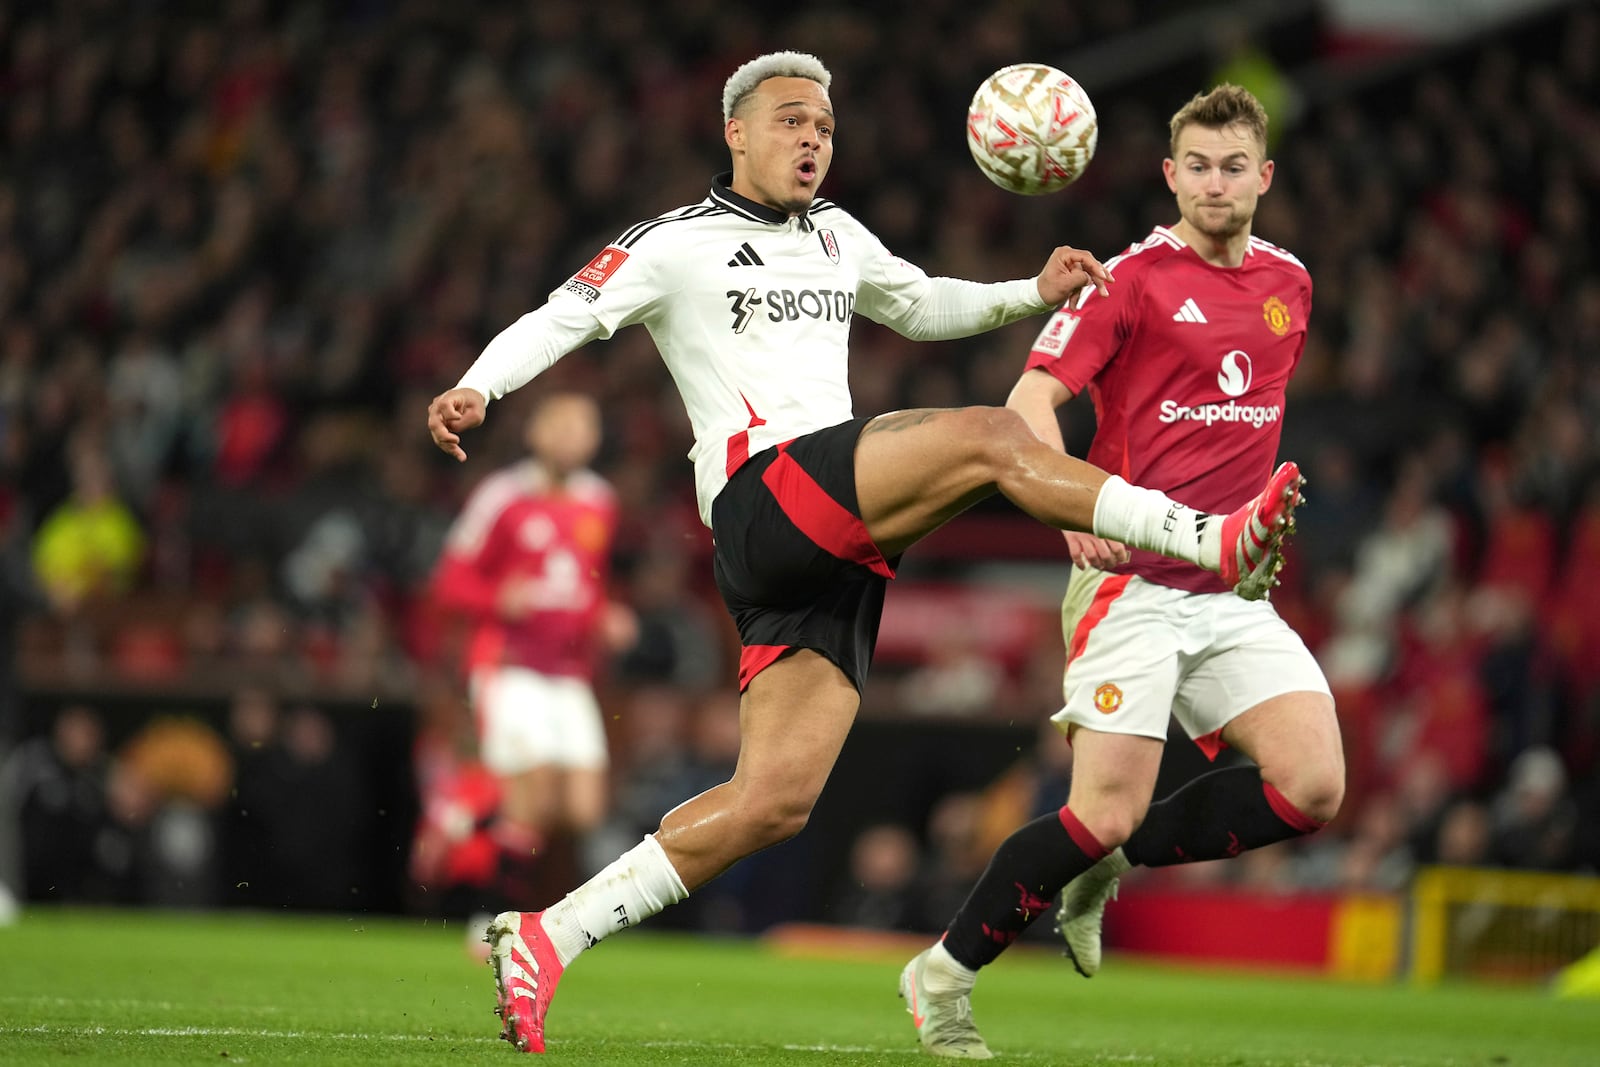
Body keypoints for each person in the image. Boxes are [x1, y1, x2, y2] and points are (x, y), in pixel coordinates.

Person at [426, 53, 1304, 1055]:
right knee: (988, 437)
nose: (812, 140)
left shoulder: (837, 235)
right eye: (792, 121)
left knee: (773, 802)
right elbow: (563, 312)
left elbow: (922, 305)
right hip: (769, 496)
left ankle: (546, 934)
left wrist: (1030, 288)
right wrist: (479, 388)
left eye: (825, 128)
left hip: (834, 547)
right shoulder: (676, 244)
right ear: (738, 134)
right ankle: (1208, 535)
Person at [900, 84, 1342, 1059]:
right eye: (1198, 165)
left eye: (1234, 166)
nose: (1216, 183)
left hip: (1229, 589)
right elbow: (1027, 398)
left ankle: (1104, 865)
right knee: (1096, 805)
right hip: (1128, 583)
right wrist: (1067, 504)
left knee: (1311, 785)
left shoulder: (1291, 283)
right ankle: (942, 972)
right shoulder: (1127, 280)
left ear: (1263, 177)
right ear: (1169, 174)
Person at [429, 393, 634, 917]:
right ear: (535, 433)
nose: (571, 435)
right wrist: (497, 598)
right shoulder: (503, 496)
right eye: (560, 423)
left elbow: (586, 582)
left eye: (583, 426)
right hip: (509, 665)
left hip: (568, 673)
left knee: (585, 808)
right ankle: (491, 922)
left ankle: (465, 824)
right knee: (533, 792)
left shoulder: (600, 501)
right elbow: (448, 581)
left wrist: (606, 615)